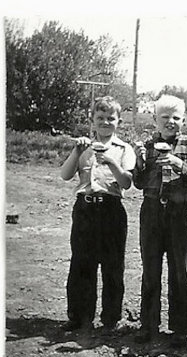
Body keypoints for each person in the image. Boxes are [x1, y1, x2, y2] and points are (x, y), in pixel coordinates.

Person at [132, 94, 187, 348]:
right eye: (164, 117)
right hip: (152, 212)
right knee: (150, 270)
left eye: (175, 117)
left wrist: (177, 163)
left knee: (180, 273)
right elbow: (138, 182)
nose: (170, 122)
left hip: (179, 213)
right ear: (155, 119)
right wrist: (140, 162)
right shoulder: (147, 145)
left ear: (183, 120)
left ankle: (180, 329)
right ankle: (148, 324)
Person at [60, 96, 136, 333]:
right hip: (85, 208)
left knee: (113, 265)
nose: (105, 122)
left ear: (118, 121)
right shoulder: (84, 147)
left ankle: (111, 317)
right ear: (92, 121)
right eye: (100, 118)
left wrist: (112, 162)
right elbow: (65, 175)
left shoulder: (124, 149)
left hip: (111, 209)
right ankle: (79, 316)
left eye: (110, 119)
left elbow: (126, 182)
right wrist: (77, 151)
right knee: (82, 262)